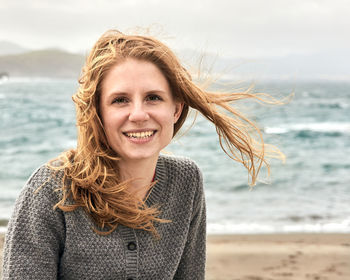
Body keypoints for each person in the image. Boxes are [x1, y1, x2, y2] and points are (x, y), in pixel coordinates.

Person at [2, 29, 284, 279]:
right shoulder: (51, 189)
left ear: (175, 109)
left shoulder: (186, 182)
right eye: (120, 100)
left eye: (153, 97)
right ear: (98, 112)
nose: (138, 114)